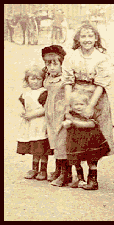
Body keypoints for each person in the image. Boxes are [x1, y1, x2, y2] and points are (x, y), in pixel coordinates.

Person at [62, 22, 114, 190]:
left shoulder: (101, 57)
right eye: (83, 36)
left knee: (92, 136)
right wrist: (68, 103)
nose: (87, 40)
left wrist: (91, 106)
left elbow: (102, 84)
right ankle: (79, 176)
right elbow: (68, 81)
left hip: (95, 97)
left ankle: (93, 178)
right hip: (76, 95)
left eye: (90, 36)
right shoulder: (72, 57)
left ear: (96, 38)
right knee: (75, 135)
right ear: (78, 39)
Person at [63, 92, 110, 189]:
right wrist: (67, 124)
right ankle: (80, 179)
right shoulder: (70, 114)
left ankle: (93, 180)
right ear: (71, 106)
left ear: (87, 105)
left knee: (91, 160)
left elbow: (91, 124)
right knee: (76, 160)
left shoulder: (89, 113)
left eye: (82, 104)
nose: (79, 107)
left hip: (90, 141)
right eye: (76, 104)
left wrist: (74, 122)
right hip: (75, 141)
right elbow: (67, 124)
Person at [42, 45, 72, 187]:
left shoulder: (64, 79)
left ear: (62, 64)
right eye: (49, 64)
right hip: (50, 113)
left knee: (62, 143)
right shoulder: (48, 77)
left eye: (55, 63)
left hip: (61, 113)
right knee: (53, 142)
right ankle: (58, 169)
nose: (52, 67)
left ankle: (65, 174)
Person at [17, 65, 52, 180]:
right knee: (34, 146)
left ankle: (43, 170)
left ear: (43, 80)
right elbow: (22, 105)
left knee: (41, 146)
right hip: (30, 124)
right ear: (27, 80)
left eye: (39, 79)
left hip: (40, 123)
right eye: (32, 79)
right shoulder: (26, 94)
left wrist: (32, 114)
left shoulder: (44, 93)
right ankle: (34, 168)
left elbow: (45, 109)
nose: (35, 82)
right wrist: (23, 112)